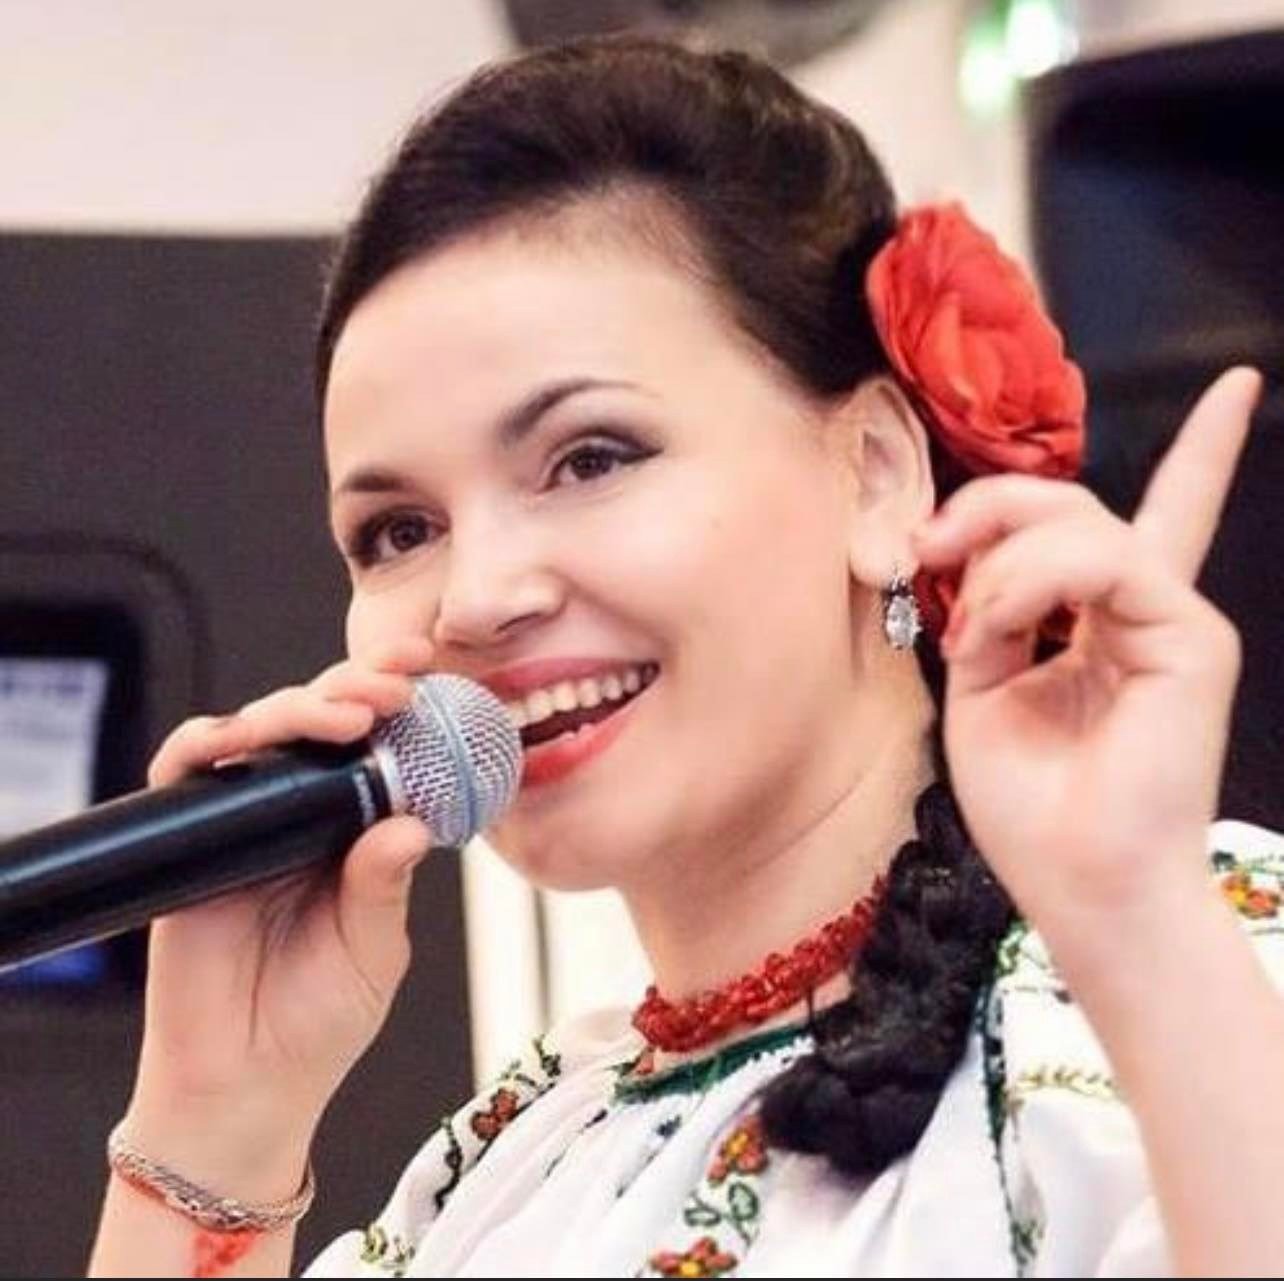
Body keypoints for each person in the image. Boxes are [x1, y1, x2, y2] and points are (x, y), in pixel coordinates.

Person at [87, 35, 1284, 1279]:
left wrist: (1143, 936)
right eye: (399, 531)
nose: (476, 600)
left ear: (878, 471)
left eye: (589, 458)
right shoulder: (515, 1159)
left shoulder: (1203, 974)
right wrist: (219, 1114)